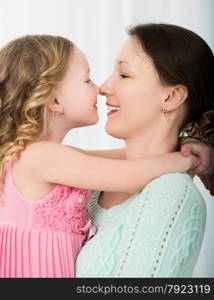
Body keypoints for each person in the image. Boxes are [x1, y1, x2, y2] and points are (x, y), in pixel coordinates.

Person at [0, 34, 203, 278]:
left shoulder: (43, 157)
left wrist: (183, 143)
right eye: (87, 80)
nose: (99, 88)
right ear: (55, 100)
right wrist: (187, 159)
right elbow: (128, 175)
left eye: (124, 75)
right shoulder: (40, 157)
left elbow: (111, 160)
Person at [76, 23, 214, 278]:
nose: (103, 87)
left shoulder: (170, 193)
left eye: (124, 75)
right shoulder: (91, 182)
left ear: (171, 97)